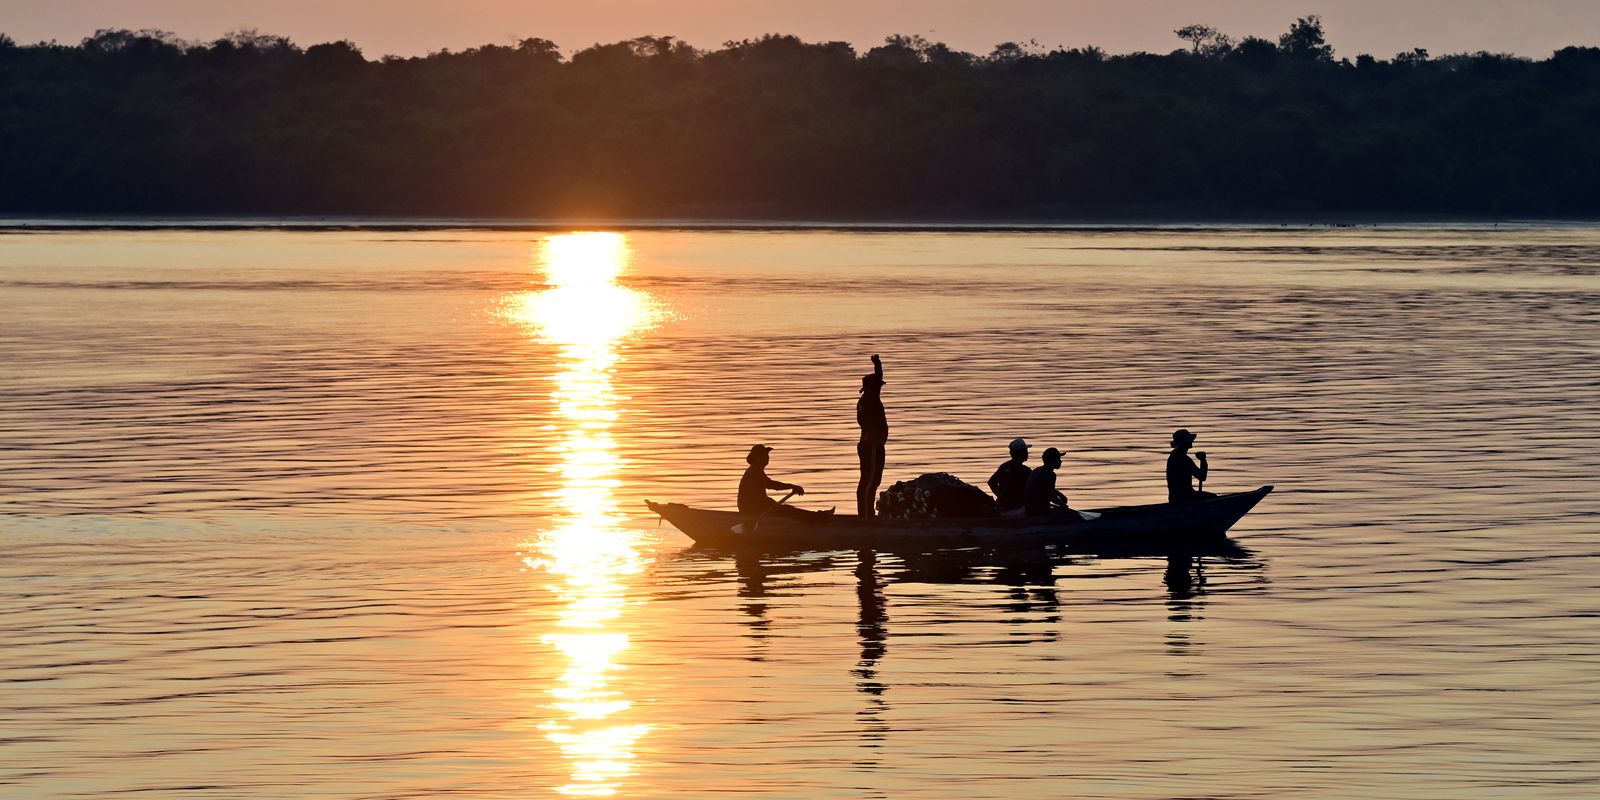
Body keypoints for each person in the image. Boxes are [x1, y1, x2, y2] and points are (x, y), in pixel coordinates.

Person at [739, 444, 832, 521]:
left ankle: (818, 517)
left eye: (767, 455)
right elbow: (754, 495)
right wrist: (770, 502)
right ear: (758, 457)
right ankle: (819, 518)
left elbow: (772, 485)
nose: (767, 458)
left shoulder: (757, 471)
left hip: (756, 508)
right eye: (765, 455)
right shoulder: (754, 472)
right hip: (751, 510)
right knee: (789, 511)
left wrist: (792, 486)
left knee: (788, 510)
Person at [856, 354, 887, 518]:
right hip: (872, 444)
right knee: (872, 480)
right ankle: (867, 516)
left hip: (867, 444)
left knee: (867, 479)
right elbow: (879, 378)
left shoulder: (863, 401)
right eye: (878, 385)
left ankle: (864, 514)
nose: (880, 387)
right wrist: (877, 364)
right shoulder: (871, 397)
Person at [1166, 428, 1217, 503]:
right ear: (1185, 443)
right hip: (1186, 498)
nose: (1192, 442)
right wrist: (1203, 460)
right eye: (1189, 440)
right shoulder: (1184, 459)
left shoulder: (1172, 457)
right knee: (1213, 498)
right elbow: (1202, 477)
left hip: (1174, 498)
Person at [1023, 447, 1074, 517]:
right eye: (1058, 459)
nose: (1060, 461)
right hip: (1038, 513)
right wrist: (1063, 505)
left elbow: (1046, 488)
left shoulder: (1036, 470)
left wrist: (1060, 495)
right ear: (1052, 461)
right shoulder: (1050, 474)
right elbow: (1052, 497)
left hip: (1028, 510)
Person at [987, 438, 1032, 515]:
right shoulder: (1025, 470)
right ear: (1020, 453)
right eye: (1025, 451)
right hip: (1017, 507)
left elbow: (991, 482)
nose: (1027, 453)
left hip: (1002, 505)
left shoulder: (1004, 466)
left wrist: (1001, 496)